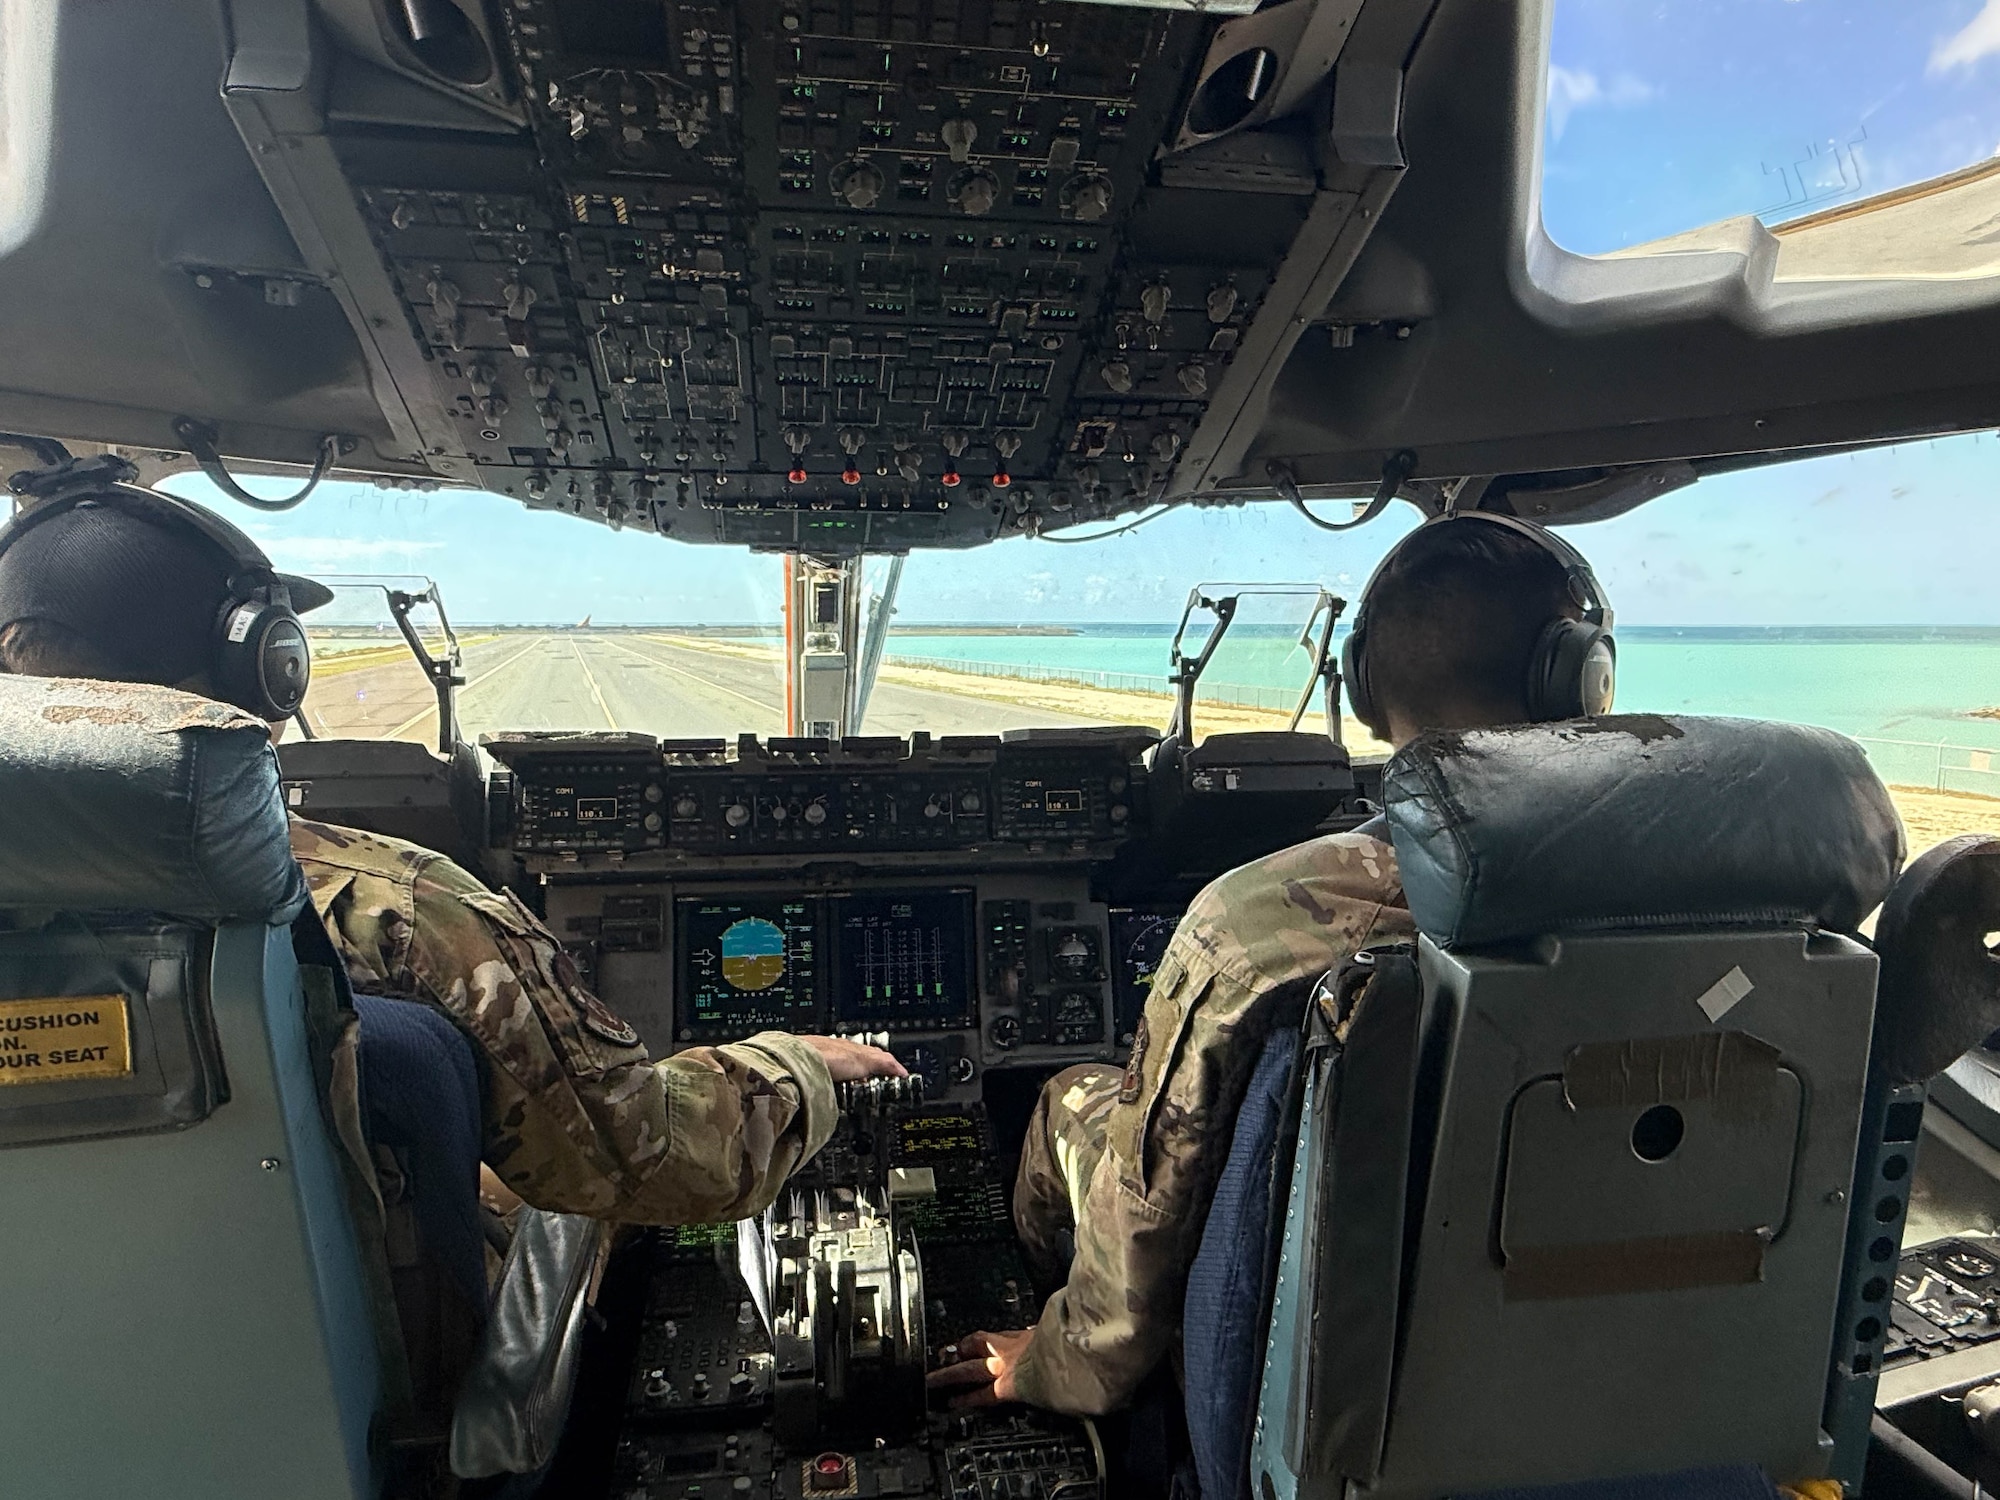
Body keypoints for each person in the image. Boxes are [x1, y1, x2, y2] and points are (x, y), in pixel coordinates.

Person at [0, 474, 906, 1228]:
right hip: (403, 1380)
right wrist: (795, 1064)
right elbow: (654, 1163)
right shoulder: (397, 911)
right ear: (266, 669)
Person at [929, 511, 1616, 1416]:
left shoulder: (1263, 920)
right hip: (1596, 1346)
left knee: (1070, 1096)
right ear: (1582, 679)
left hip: (1338, 1387)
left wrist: (1053, 1361)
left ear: (1365, 687)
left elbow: (1145, 1197)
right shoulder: (1719, 881)